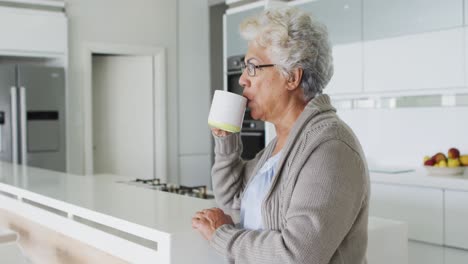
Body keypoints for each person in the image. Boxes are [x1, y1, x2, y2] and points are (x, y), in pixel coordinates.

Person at [192, 7, 369, 264]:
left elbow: (296, 255)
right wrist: (227, 140)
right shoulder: (279, 145)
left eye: (252, 67)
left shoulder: (331, 147)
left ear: (291, 77)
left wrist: (222, 235)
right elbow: (232, 201)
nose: (242, 79)